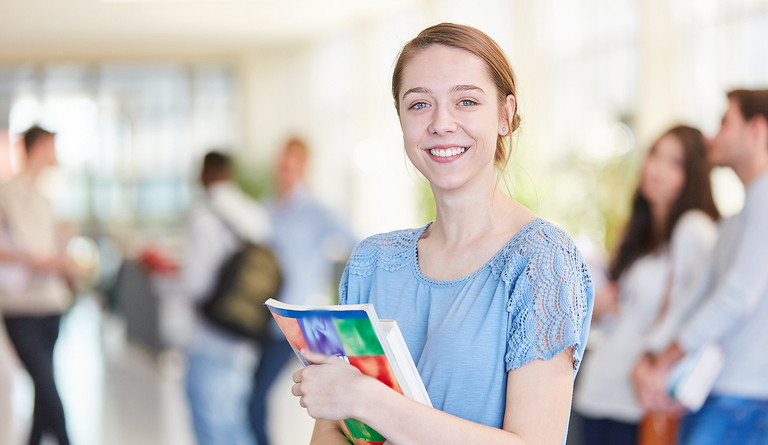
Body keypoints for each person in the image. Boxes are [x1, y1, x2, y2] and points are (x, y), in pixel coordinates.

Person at [289, 23, 594, 445]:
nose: (441, 123)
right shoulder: (371, 262)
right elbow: (333, 430)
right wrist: (339, 402)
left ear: (505, 115)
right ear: (400, 119)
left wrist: (366, 399)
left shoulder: (541, 261)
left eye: (466, 101)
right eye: (418, 105)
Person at [634, 89, 768, 445]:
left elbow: (737, 296)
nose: (712, 137)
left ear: (758, 130)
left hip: (746, 400)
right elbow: (697, 296)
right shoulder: (737, 219)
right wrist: (652, 360)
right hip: (719, 393)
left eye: (726, 123)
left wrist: (663, 363)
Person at [573, 126, 720, 444]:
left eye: (675, 163)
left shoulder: (694, 229)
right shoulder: (641, 236)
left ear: (694, 174)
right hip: (602, 388)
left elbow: (698, 311)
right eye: (655, 155)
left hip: (639, 399)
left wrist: (655, 361)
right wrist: (601, 307)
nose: (658, 169)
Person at [248, 137, 357, 445]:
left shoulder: (316, 210)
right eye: (281, 162)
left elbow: (358, 244)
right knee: (251, 398)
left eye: (292, 163)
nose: (285, 169)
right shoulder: (266, 209)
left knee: (257, 398)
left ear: (303, 167)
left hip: (291, 321)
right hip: (259, 317)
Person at [181, 151, 271, 445]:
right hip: (245, 334)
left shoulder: (204, 216)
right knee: (235, 423)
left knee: (212, 429)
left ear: (205, 174)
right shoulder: (255, 213)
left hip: (210, 336)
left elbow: (195, 285)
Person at [0, 125, 77, 445]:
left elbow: (48, 248)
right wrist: (56, 260)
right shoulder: (9, 193)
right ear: (40, 145)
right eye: (52, 146)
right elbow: (31, 250)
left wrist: (63, 258)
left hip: (50, 302)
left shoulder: (43, 197)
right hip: (22, 305)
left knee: (43, 386)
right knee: (46, 384)